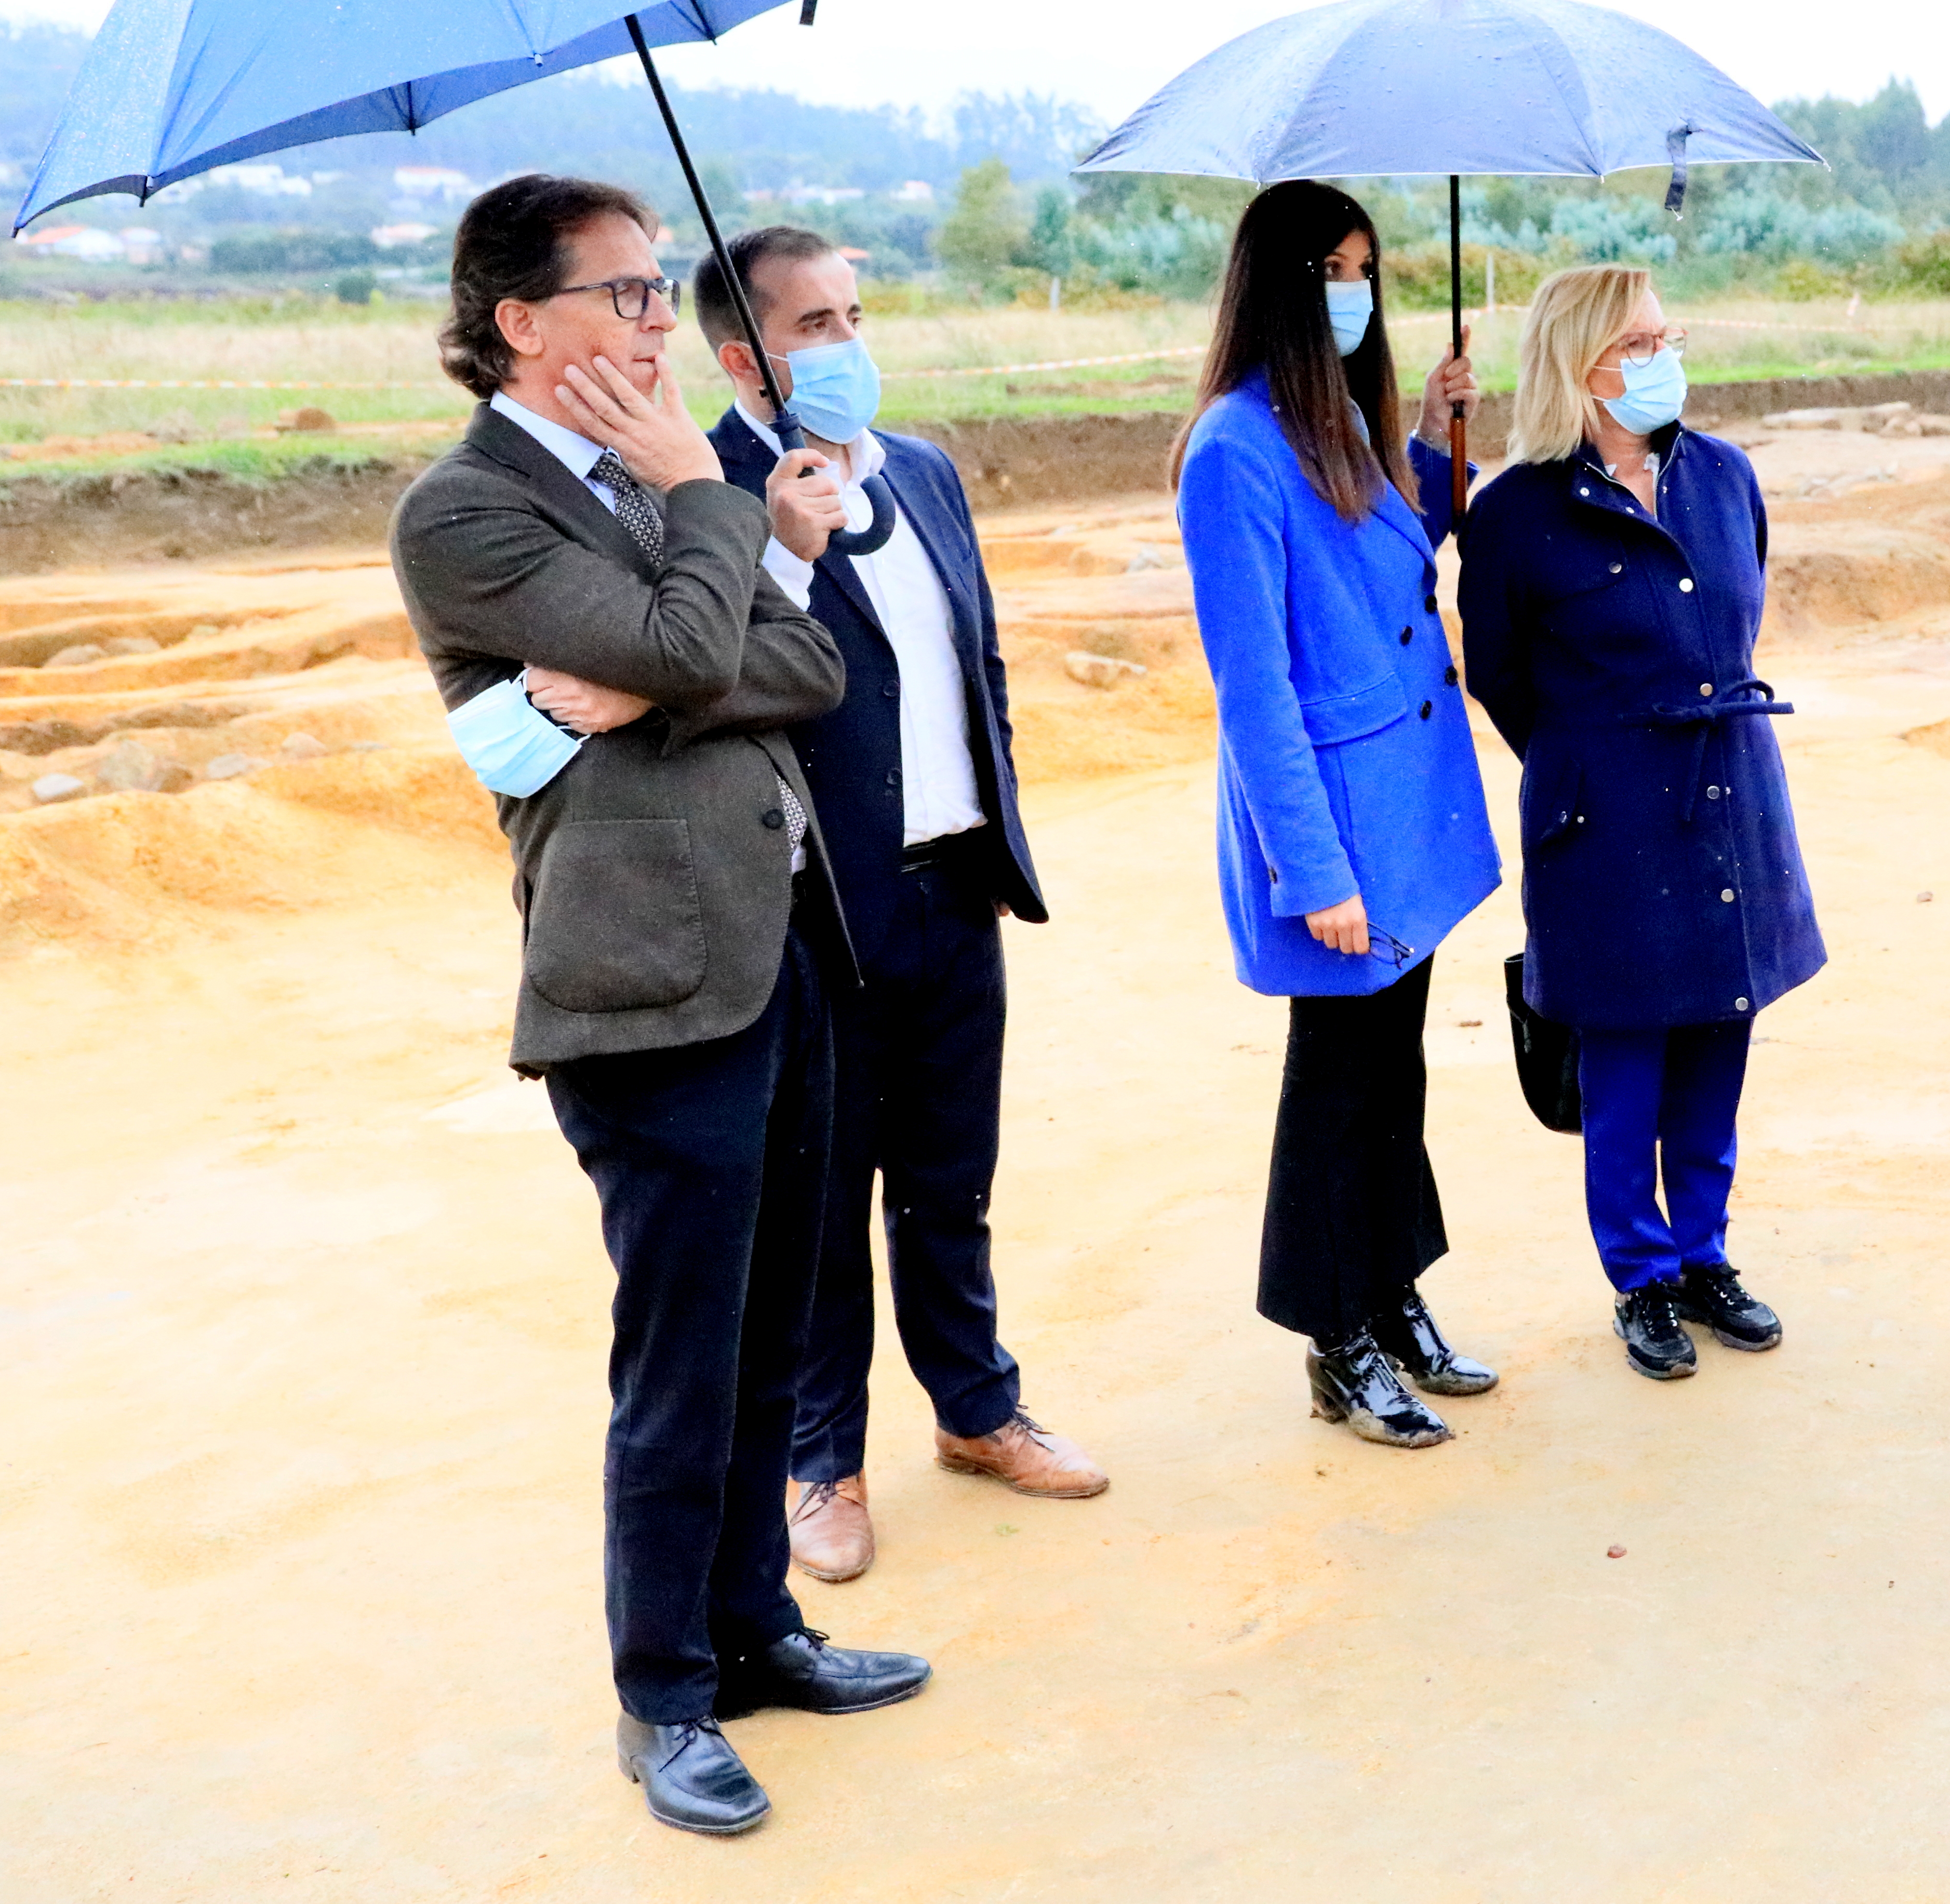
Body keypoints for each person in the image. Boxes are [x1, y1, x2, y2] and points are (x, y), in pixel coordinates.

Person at [389, 176, 929, 1839]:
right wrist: (712, 503)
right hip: (643, 987)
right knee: (682, 1361)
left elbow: (802, 668)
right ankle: (664, 1696)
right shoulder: (465, 515)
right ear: (516, 325)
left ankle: (756, 1628)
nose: (650, 322)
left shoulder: (637, 485)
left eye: (650, 295)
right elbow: (718, 639)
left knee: (777, 1327)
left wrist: (664, 657)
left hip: (779, 950)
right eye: (621, 297)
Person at [690, 224, 1106, 1594]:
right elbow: (715, 685)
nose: (850, 344)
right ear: (745, 356)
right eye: (816, 324)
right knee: (820, 1205)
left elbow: (970, 662)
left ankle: (978, 1410)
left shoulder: (921, 472)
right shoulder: (706, 497)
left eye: (855, 314)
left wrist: (992, 833)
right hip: (816, 917)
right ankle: (824, 1462)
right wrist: (779, 544)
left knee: (951, 1179)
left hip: (953, 884)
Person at [1174, 180, 1501, 1448]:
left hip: (1401, 811)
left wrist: (1428, 435)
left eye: (1368, 264)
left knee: (1391, 1076)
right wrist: (1312, 870)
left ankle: (1392, 1290)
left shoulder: (1335, 424)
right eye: (1334, 268)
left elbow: (1384, 540)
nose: (1357, 290)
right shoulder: (1234, 450)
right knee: (1337, 1088)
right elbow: (1255, 692)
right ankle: (1335, 1337)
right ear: (1282, 285)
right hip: (1340, 835)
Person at [1457, 264, 1822, 1380]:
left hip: (1729, 790)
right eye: (1633, 344)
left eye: (1667, 335)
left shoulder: (1723, 475)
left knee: (1721, 1034)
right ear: (1575, 365)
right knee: (1624, 1063)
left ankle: (1705, 1254)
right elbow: (1503, 674)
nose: (1661, 359)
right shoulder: (1519, 510)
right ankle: (1643, 1277)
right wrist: (1592, 757)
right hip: (1606, 812)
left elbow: (1737, 608)